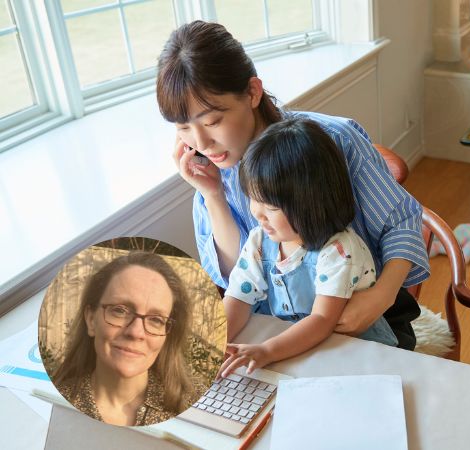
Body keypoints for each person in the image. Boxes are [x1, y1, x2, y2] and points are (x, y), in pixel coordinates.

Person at [156, 20, 429, 350]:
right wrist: (212, 196)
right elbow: (237, 278)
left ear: (253, 92)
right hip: (276, 326)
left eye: (213, 121)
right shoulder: (210, 174)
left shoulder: (333, 140)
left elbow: (402, 222)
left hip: (365, 317)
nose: (202, 142)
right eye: (183, 128)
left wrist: (379, 298)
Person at [218, 118, 399, 377]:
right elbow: (237, 297)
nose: (257, 214)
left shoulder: (338, 249)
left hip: (353, 350)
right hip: (294, 348)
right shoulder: (260, 241)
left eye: (270, 206)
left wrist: (267, 351)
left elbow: (322, 321)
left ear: (311, 203)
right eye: (253, 200)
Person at [52, 252, 199, 426]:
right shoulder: (52, 405)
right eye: (120, 310)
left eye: (156, 319)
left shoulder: (198, 406)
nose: (136, 332)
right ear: (91, 319)